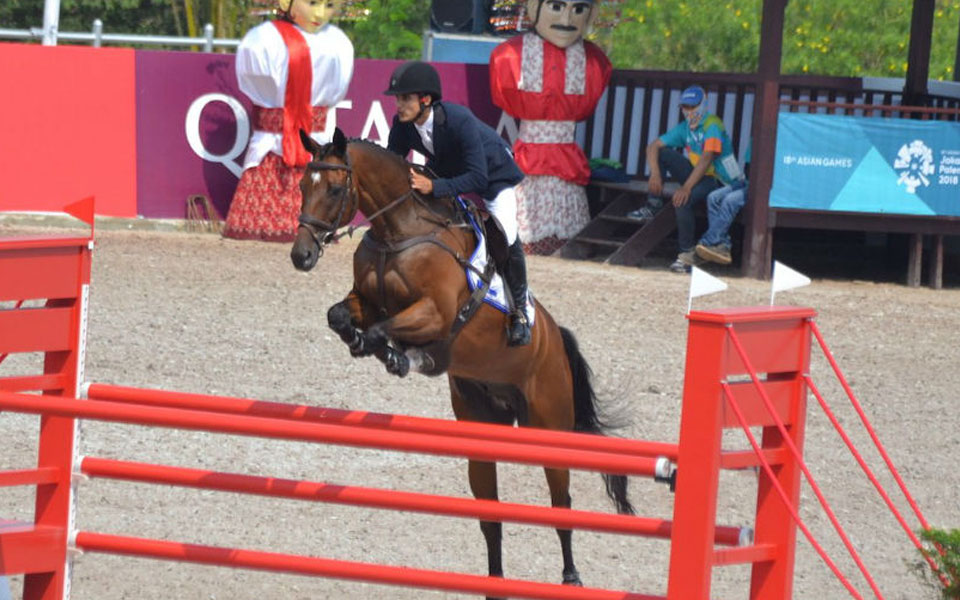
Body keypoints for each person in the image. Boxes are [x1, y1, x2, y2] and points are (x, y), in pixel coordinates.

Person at [383, 61, 531, 346]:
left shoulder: (458, 119)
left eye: (405, 98)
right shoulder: (402, 125)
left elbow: (477, 177)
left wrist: (435, 186)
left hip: (493, 176)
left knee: (505, 234)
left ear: (425, 100)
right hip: (450, 170)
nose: (399, 105)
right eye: (397, 99)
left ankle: (519, 313)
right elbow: (392, 165)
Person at [223, 0, 354, 242]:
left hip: (310, 135)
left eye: (329, 5)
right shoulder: (264, 39)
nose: (320, 12)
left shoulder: (335, 42)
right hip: (278, 138)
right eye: (313, 3)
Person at [489, 0, 612, 255]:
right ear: (535, 8)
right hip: (530, 149)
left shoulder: (595, 62)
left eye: (578, 9)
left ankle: (563, 244)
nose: (567, 19)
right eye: (556, 6)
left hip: (564, 149)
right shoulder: (508, 56)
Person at [629, 85, 744, 273]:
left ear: (703, 104)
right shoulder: (685, 128)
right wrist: (656, 174)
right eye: (685, 107)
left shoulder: (712, 124)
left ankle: (686, 258)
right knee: (662, 153)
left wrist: (686, 188)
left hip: (718, 181)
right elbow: (653, 146)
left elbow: (707, 158)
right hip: (698, 176)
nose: (688, 111)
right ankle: (653, 205)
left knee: (682, 201)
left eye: (692, 106)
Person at [695, 146, 750, 265]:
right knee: (713, 197)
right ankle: (722, 244)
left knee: (729, 200)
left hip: (759, 186)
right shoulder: (753, 140)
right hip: (745, 181)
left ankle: (707, 242)